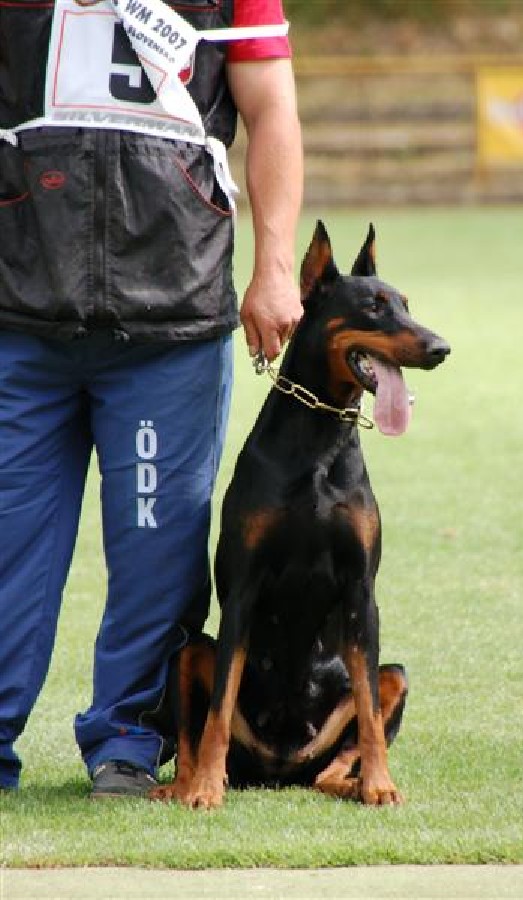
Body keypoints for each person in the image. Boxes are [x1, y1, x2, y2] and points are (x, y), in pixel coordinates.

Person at [0, 0, 303, 798]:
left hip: (171, 314)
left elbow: (272, 112)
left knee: (155, 552)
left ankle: (127, 741)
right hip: (16, 310)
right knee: (7, 542)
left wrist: (275, 270)